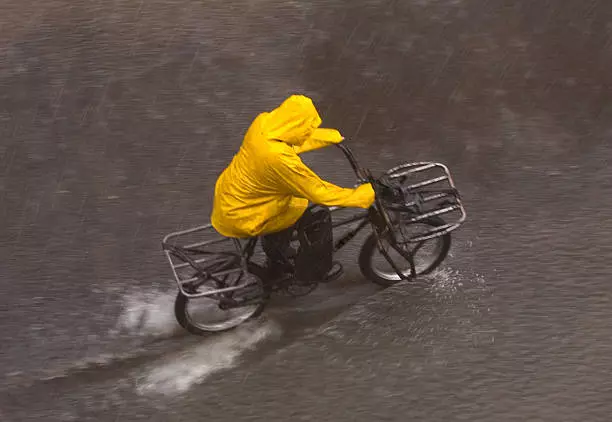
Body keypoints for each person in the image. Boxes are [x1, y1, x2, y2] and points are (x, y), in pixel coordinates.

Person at [211, 94, 375, 280]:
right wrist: (361, 195)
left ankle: (277, 253)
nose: (308, 132)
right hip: (248, 215)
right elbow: (318, 191)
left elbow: (288, 138)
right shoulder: (280, 160)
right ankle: (312, 273)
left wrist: (325, 137)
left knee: (294, 205)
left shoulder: (263, 123)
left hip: (232, 198)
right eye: (307, 128)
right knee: (317, 216)